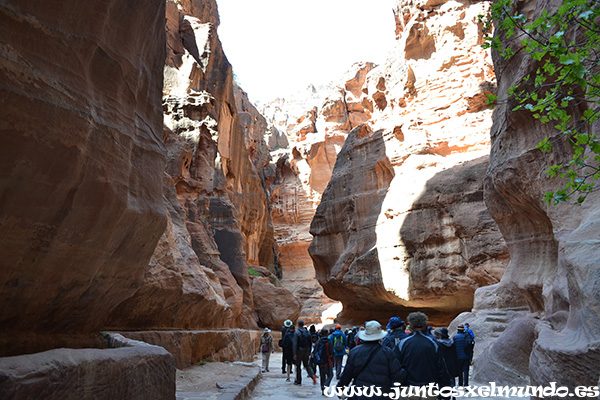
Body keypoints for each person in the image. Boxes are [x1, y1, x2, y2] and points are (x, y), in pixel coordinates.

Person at [337, 320, 406, 400]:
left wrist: (341, 389)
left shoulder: (355, 352)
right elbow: (398, 376)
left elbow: (347, 374)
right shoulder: (387, 353)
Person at [394, 312, 449, 393]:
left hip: (408, 389)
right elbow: (442, 369)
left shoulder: (402, 343)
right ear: (425, 326)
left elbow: (396, 368)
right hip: (429, 390)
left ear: (411, 326)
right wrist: (445, 392)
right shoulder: (433, 343)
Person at [293, 319, 317, 385]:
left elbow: (295, 344)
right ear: (303, 325)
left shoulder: (297, 333)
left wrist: (294, 353)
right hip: (306, 350)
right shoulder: (308, 332)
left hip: (299, 351)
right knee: (306, 364)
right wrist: (309, 351)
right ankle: (312, 376)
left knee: (298, 366)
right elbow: (310, 342)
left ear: (298, 325)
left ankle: (298, 380)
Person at [313, 329, 334, 394]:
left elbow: (315, 351)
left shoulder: (318, 342)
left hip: (320, 362)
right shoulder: (329, 342)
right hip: (328, 361)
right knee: (330, 375)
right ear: (327, 334)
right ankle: (326, 385)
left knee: (322, 376)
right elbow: (331, 352)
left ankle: (322, 388)